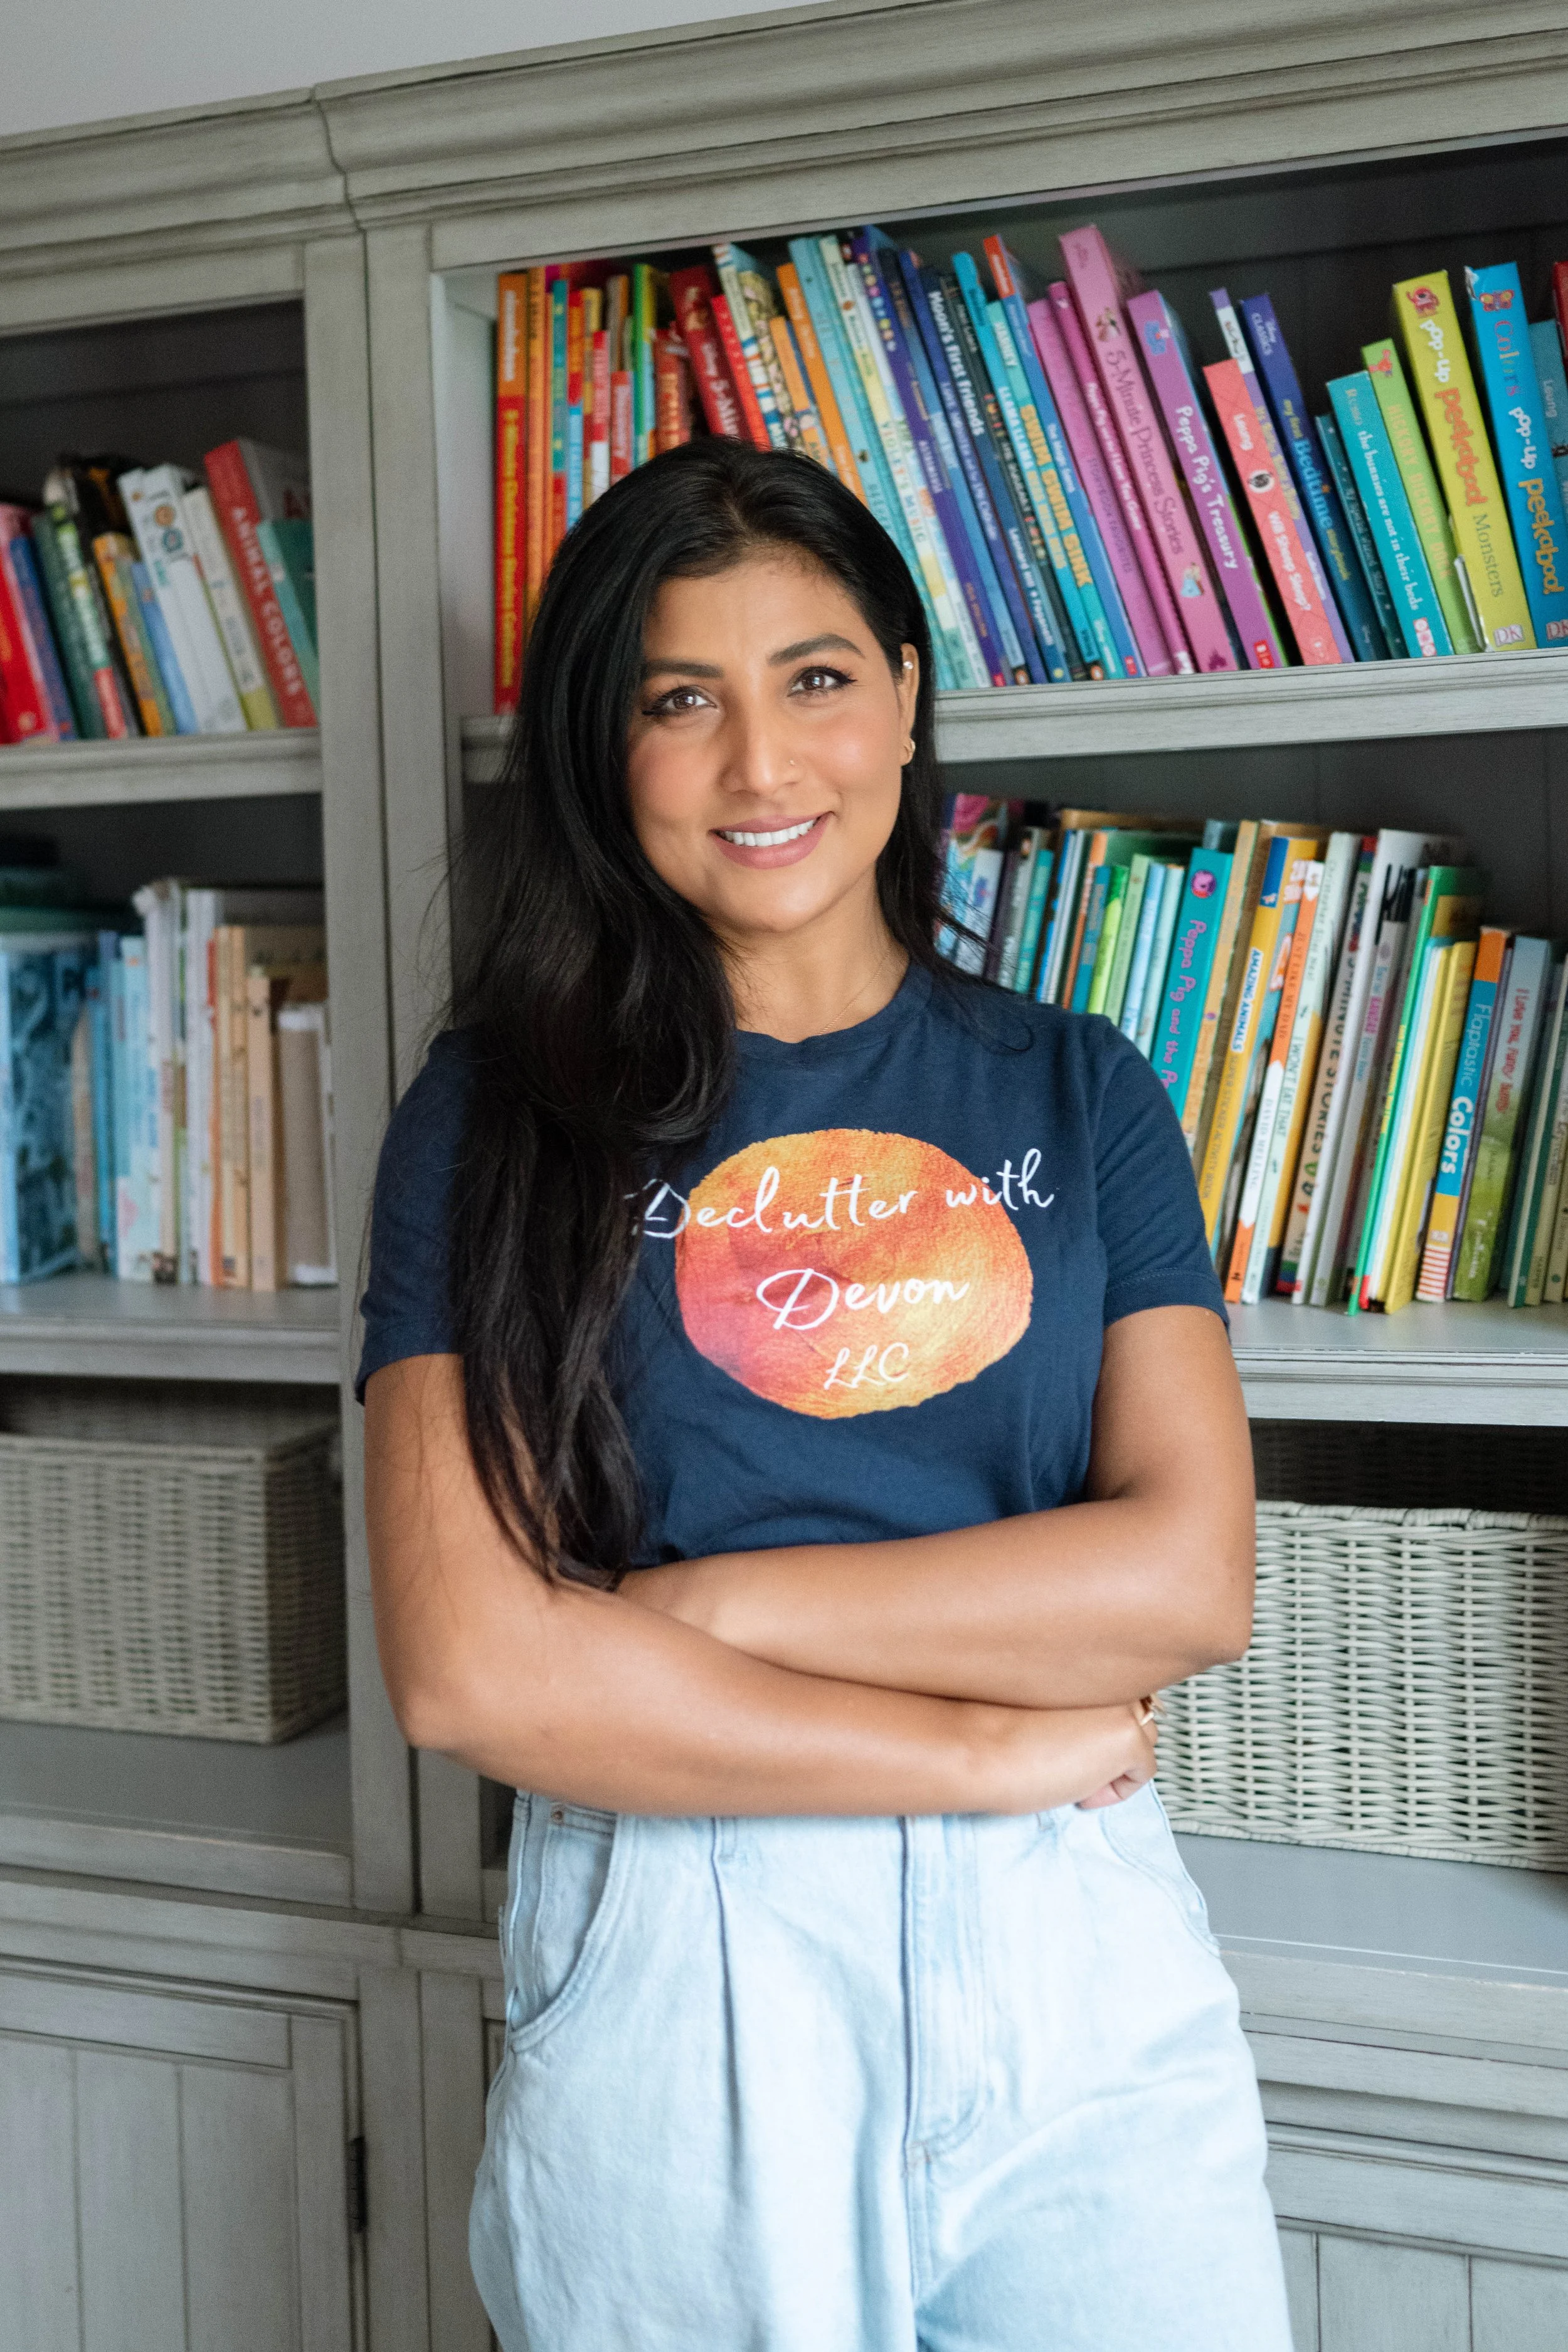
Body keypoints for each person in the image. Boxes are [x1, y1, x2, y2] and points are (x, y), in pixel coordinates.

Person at [358, 438, 1293, 2350]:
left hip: (1069, 1928)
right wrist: (965, 1744)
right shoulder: (493, 1115)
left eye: (813, 679)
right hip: (689, 1944)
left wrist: (710, 1607)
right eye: (677, 701)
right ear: (599, 754)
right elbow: (475, 1669)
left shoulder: (1071, 1084)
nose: (761, 768)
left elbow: (1185, 1578)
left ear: (902, 693)